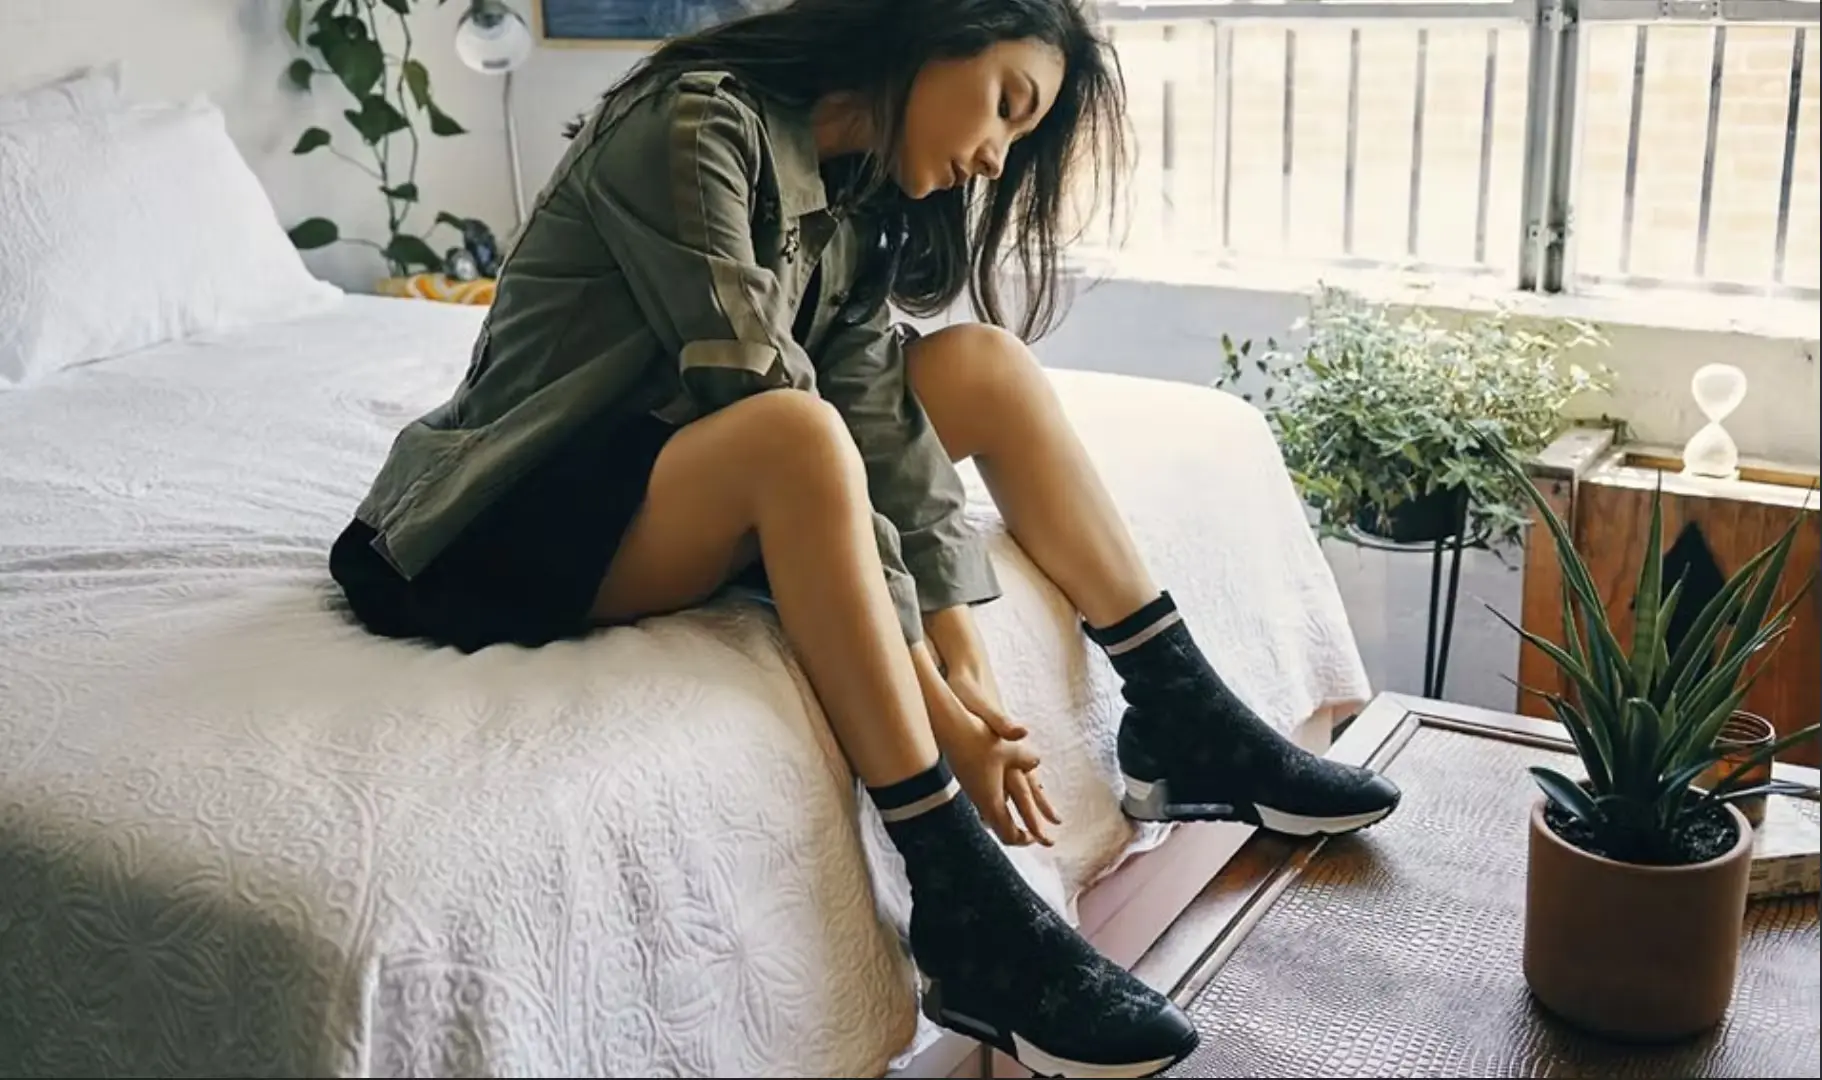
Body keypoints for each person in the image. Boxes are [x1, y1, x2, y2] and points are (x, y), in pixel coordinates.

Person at [328, 0, 1402, 1073]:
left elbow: (874, 420)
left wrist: (965, 655)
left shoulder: (854, 189)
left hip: (673, 477)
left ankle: (1179, 710)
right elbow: (763, 399)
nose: (992, 158)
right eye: (1004, 109)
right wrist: (936, 710)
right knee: (791, 435)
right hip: (502, 516)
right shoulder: (691, 127)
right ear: (933, 32)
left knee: (980, 365)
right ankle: (957, 900)